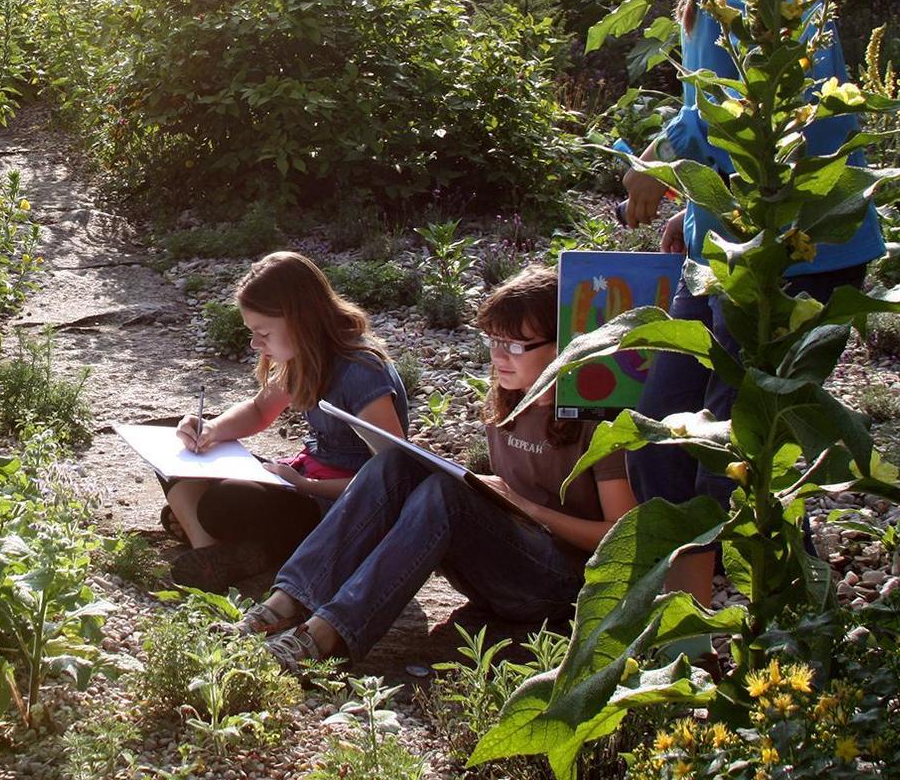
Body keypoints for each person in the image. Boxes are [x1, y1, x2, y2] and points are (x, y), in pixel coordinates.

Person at [576, 0, 883, 602]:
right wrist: (688, 197)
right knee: (660, 442)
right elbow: (707, 102)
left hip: (796, 247)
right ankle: (713, 622)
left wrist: (669, 172)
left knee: (737, 459)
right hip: (729, 242)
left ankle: (764, 628)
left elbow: (765, 104)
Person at [239, 266, 636, 668]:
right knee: (397, 462)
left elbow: (621, 537)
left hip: (559, 585)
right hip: (503, 561)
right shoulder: (509, 400)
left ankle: (323, 637)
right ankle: (284, 603)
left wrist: (528, 508)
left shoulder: (600, 421)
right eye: (494, 341)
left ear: (565, 346)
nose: (499, 357)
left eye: (516, 346)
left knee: (446, 494)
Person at [165, 251, 408, 591]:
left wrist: (307, 485)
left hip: (339, 508)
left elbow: (395, 476)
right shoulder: (305, 356)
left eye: (263, 333)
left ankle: (226, 546)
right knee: (172, 442)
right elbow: (258, 410)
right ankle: (216, 554)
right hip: (301, 481)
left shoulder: (361, 373)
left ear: (300, 321)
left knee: (222, 501)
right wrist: (210, 429)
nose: (255, 344)